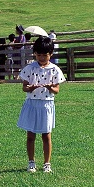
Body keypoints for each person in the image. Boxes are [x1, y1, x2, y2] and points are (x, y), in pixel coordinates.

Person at [17, 37, 66, 173]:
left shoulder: (54, 70)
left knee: (46, 135)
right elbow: (24, 88)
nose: (42, 58)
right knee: (31, 135)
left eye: (45, 55)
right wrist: (30, 88)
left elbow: (56, 90)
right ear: (35, 54)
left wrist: (50, 87)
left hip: (46, 105)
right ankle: (31, 162)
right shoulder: (30, 68)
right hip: (32, 104)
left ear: (50, 54)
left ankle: (47, 163)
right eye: (39, 55)